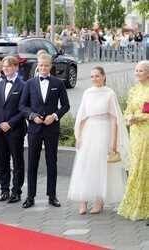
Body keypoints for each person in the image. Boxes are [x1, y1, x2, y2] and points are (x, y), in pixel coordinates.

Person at [67, 66, 129, 215]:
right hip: (89, 131)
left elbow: (114, 119)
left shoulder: (110, 94)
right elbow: (82, 117)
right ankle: (83, 201)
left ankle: (99, 201)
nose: (94, 79)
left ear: (103, 76)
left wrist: (114, 142)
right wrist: (79, 137)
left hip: (104, 131)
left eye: (97, 76)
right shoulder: (87, 93)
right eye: (92, 77)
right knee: (85, 165)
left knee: (100, 166)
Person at [19, 53, 70, 208]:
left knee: (51, 163)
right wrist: (32, 116)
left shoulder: (58, 83)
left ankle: (52, 195)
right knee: (32, 163)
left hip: (51, 129)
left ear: (51, 66)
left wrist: (54, 116)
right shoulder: (29, 83)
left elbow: (65, 105)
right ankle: (30, 196)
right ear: (37, 65)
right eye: (41, 65)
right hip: (34, 129)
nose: (43, 68)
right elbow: (22, 105)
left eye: (46, 65)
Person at [0, 56, 26, 203]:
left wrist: (11, 123)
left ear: (16, 67)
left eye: (8, 66)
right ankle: (4, 190)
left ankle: (16, 191)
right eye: (4, 66)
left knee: (17, 162)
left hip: (15, 129)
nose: (5, 68)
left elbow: (24, 109)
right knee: (3, 162)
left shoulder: (23, 85)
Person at [118, 60, 149, 223]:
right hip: (135, 133)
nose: (137, 73)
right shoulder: (134, 90)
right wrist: (128, 118)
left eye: (141, 71)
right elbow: (127, 110)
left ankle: (146, 206)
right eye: (136, 70)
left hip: (147, 132)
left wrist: (139, 117)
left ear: (148, 73)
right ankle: (135, 203)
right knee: (135, 166)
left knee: (145, 166)